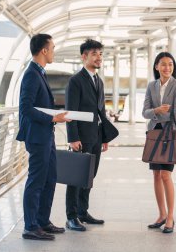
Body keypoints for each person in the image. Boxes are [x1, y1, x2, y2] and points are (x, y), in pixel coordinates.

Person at [17, 34, 71, 240]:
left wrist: (57, 116)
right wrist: (51, 119)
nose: (54, 51)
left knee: (50, 178)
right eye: (53, 48)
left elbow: (38, 105)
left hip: (46, 135)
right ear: (44, 51)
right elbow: (26, 108)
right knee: (36, 180)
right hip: (38, 136)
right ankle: (30, 226)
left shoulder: (39, 73)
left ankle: (42, 221)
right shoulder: (31, 74)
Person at [65, 39, 117, 231]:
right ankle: (71, 216)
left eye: (100, 54)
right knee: (75, 177)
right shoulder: (75, 81)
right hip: (81, 137)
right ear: (84, 56)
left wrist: (104, 137)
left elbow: (101, 112)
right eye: (94, 54)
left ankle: (82, 212)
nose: (99, 57)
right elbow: (71, 111)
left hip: (95, 135)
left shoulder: (98, 81)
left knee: (89, 176)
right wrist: (73, 138)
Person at [142, 52, 176, 234]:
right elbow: (144, 112)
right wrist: (156, 110)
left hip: (170, 133)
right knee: (156, 175)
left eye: (171, 65)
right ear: (156, 67)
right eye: (164, 64)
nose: (168, 68)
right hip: (154, 133)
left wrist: (156, 113)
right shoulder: (151, 86)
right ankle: (161, 214)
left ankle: (171, 217)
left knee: (166, 175)